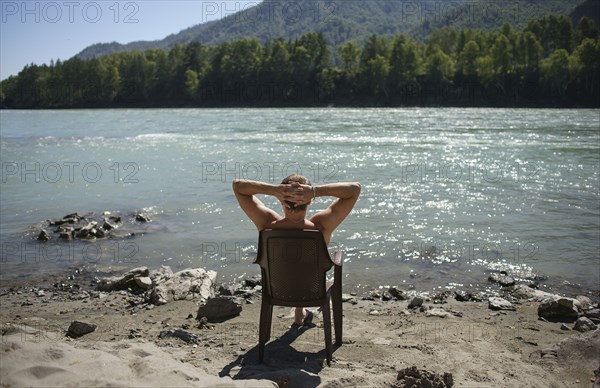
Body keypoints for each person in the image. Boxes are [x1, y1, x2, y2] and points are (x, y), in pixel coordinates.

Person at [232, 174, 361, 326]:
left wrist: (274, 190)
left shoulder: (267, 223)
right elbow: (354, 189)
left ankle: (299, 312)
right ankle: (300, 311)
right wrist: (314, 191)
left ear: (280, 199)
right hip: (312, 291)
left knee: (292, 265)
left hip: (278, 291)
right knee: (306, 266)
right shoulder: (321, 227)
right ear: (310, 201)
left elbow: (238, 186)